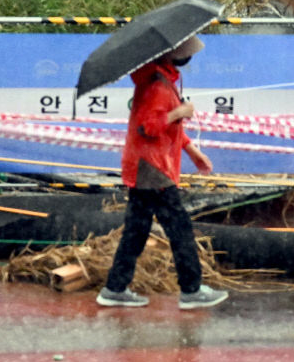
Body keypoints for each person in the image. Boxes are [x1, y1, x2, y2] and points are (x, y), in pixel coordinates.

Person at [97, 35, 228, 310]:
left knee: (136, 231)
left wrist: (193, 152)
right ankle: (191, 290)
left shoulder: (160, 80)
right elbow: (149, 128)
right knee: (179, 228)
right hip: (153, 170)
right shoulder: (157, 86)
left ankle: (115, 288)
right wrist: (178, 112)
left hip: (146, 167)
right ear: (173, 55)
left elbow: (166, 130)